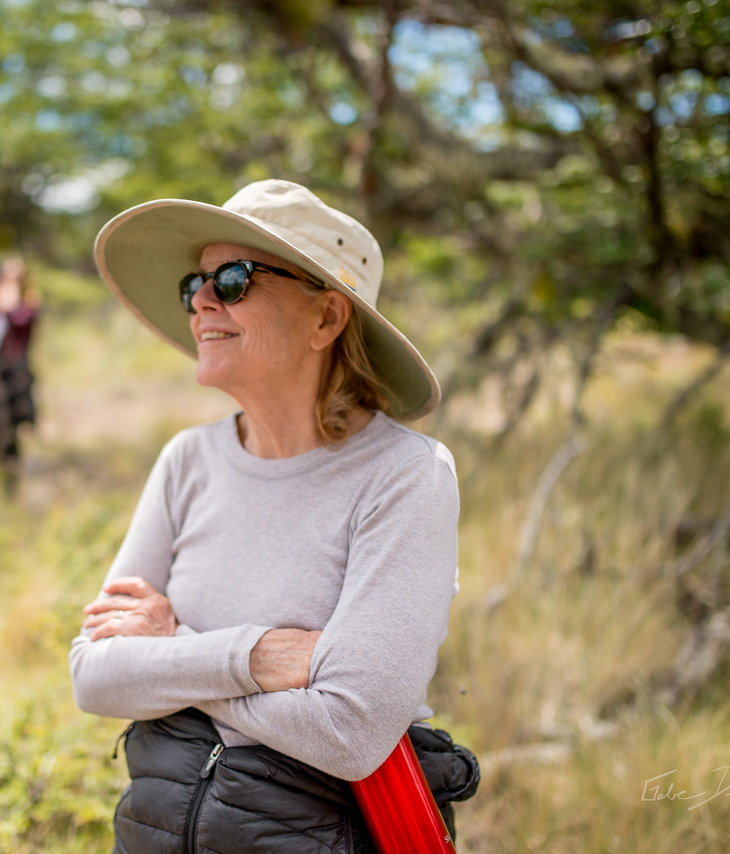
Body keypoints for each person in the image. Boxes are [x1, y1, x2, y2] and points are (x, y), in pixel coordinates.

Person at [69, 179, 478, 853]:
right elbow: (94, 674)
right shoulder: (187, 460)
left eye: (233, 279)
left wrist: (170, 653)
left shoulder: (405, 477)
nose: (201, 300)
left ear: (326, 319)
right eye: (193, 284)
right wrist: (257, 656)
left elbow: (349, 732)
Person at [0, 256, 40, 491]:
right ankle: (1, 473)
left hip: (11, 379)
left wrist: (10, 291)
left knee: (9, 430)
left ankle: (10, 481)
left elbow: (16, 315)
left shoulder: (24, 307)